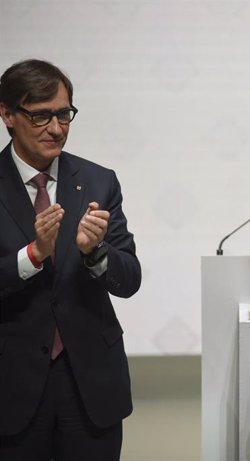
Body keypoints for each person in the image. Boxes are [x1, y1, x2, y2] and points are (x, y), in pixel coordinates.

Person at [0, 59, 141, 460]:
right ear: (7, 114)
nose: (56, 128)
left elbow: (129, 279)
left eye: (64, 114)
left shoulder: (98, 180)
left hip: (91, 384)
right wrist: (32, 255)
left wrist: (95, 252)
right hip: (12, 386)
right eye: (40, 116)